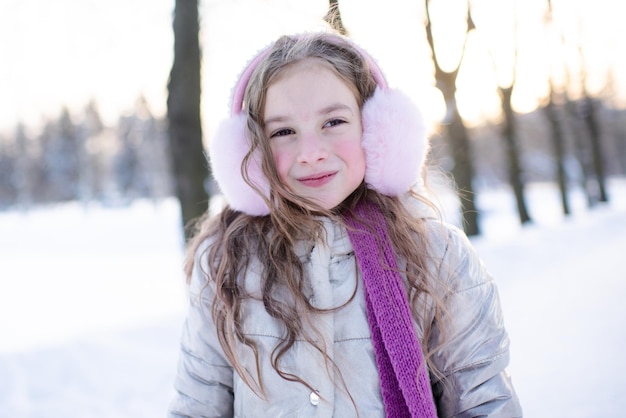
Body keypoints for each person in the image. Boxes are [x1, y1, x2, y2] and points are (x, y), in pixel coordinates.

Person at [169, 31, 522, 417]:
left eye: (333, 121)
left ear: (376, 129)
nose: (311, 153)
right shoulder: (225, 263)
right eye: (283, 132)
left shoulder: (437, 255)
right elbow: (196, 407)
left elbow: (485, 403)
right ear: (252, 150)